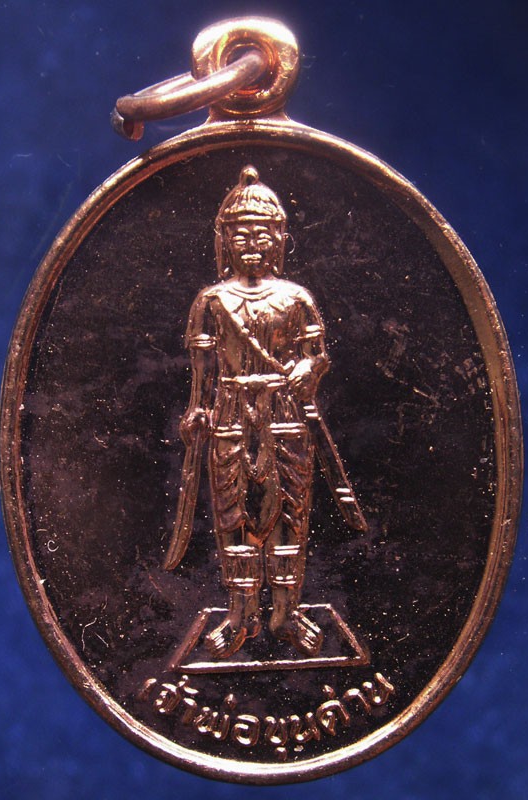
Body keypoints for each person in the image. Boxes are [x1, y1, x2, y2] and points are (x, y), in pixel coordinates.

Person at [165, 165, 365, 660]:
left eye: (261, 235)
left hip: (285, 412)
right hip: (231, 412)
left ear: (278, 240)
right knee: (233, 513)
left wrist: (306, 370)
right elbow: (203, 365)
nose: (251, 245)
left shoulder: (295, 298)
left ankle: (286, 612)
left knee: (290, 513)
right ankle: (241, 615)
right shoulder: (211, 301)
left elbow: (318, 355)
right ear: (224, 242)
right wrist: (197, 409)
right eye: (240, 236)